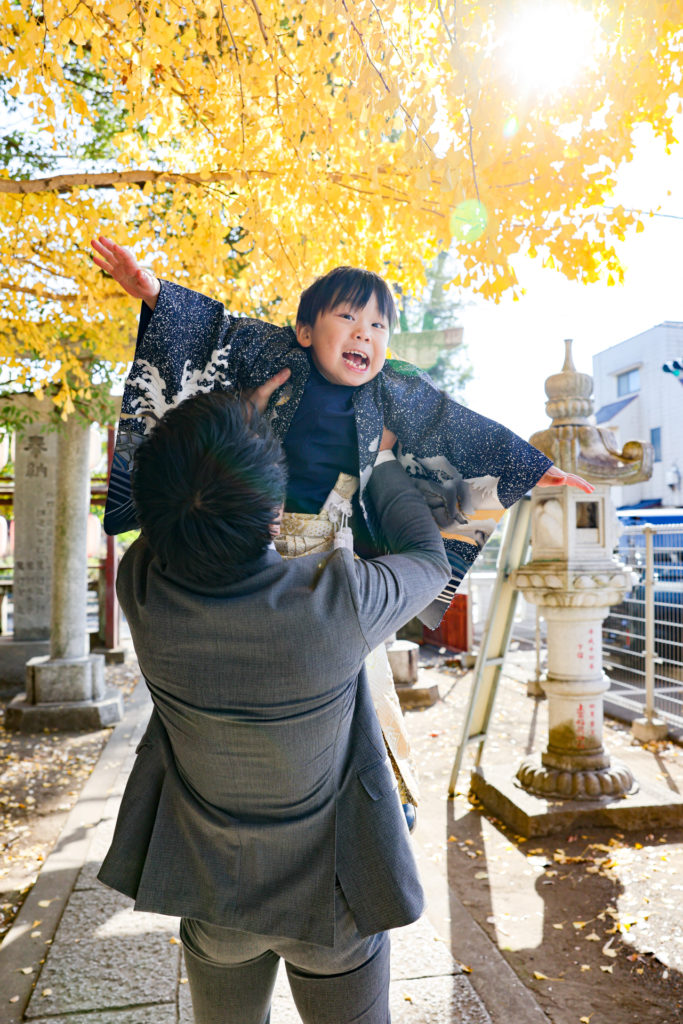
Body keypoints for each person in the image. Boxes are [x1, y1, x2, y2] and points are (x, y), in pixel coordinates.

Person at [91, 236, 593, 824]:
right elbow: (215, 331)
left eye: (379, 326)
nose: (365, 334)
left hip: (336, 550)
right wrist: (151, 291)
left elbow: (459, 426)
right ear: (304, 331)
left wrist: (534, 468)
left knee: (353, 675)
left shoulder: (393, 389)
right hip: (252, 541)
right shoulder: (275, 352)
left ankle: (378, 787)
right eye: (348, 317)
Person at [97, 387, 452, 1024]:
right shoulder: (336, 601)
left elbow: (163, 514)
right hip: (334, 903)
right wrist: (385, 461)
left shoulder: (142, 588)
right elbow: (430, 561)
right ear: (274, 516)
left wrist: (228, 427)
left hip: (211, 894)